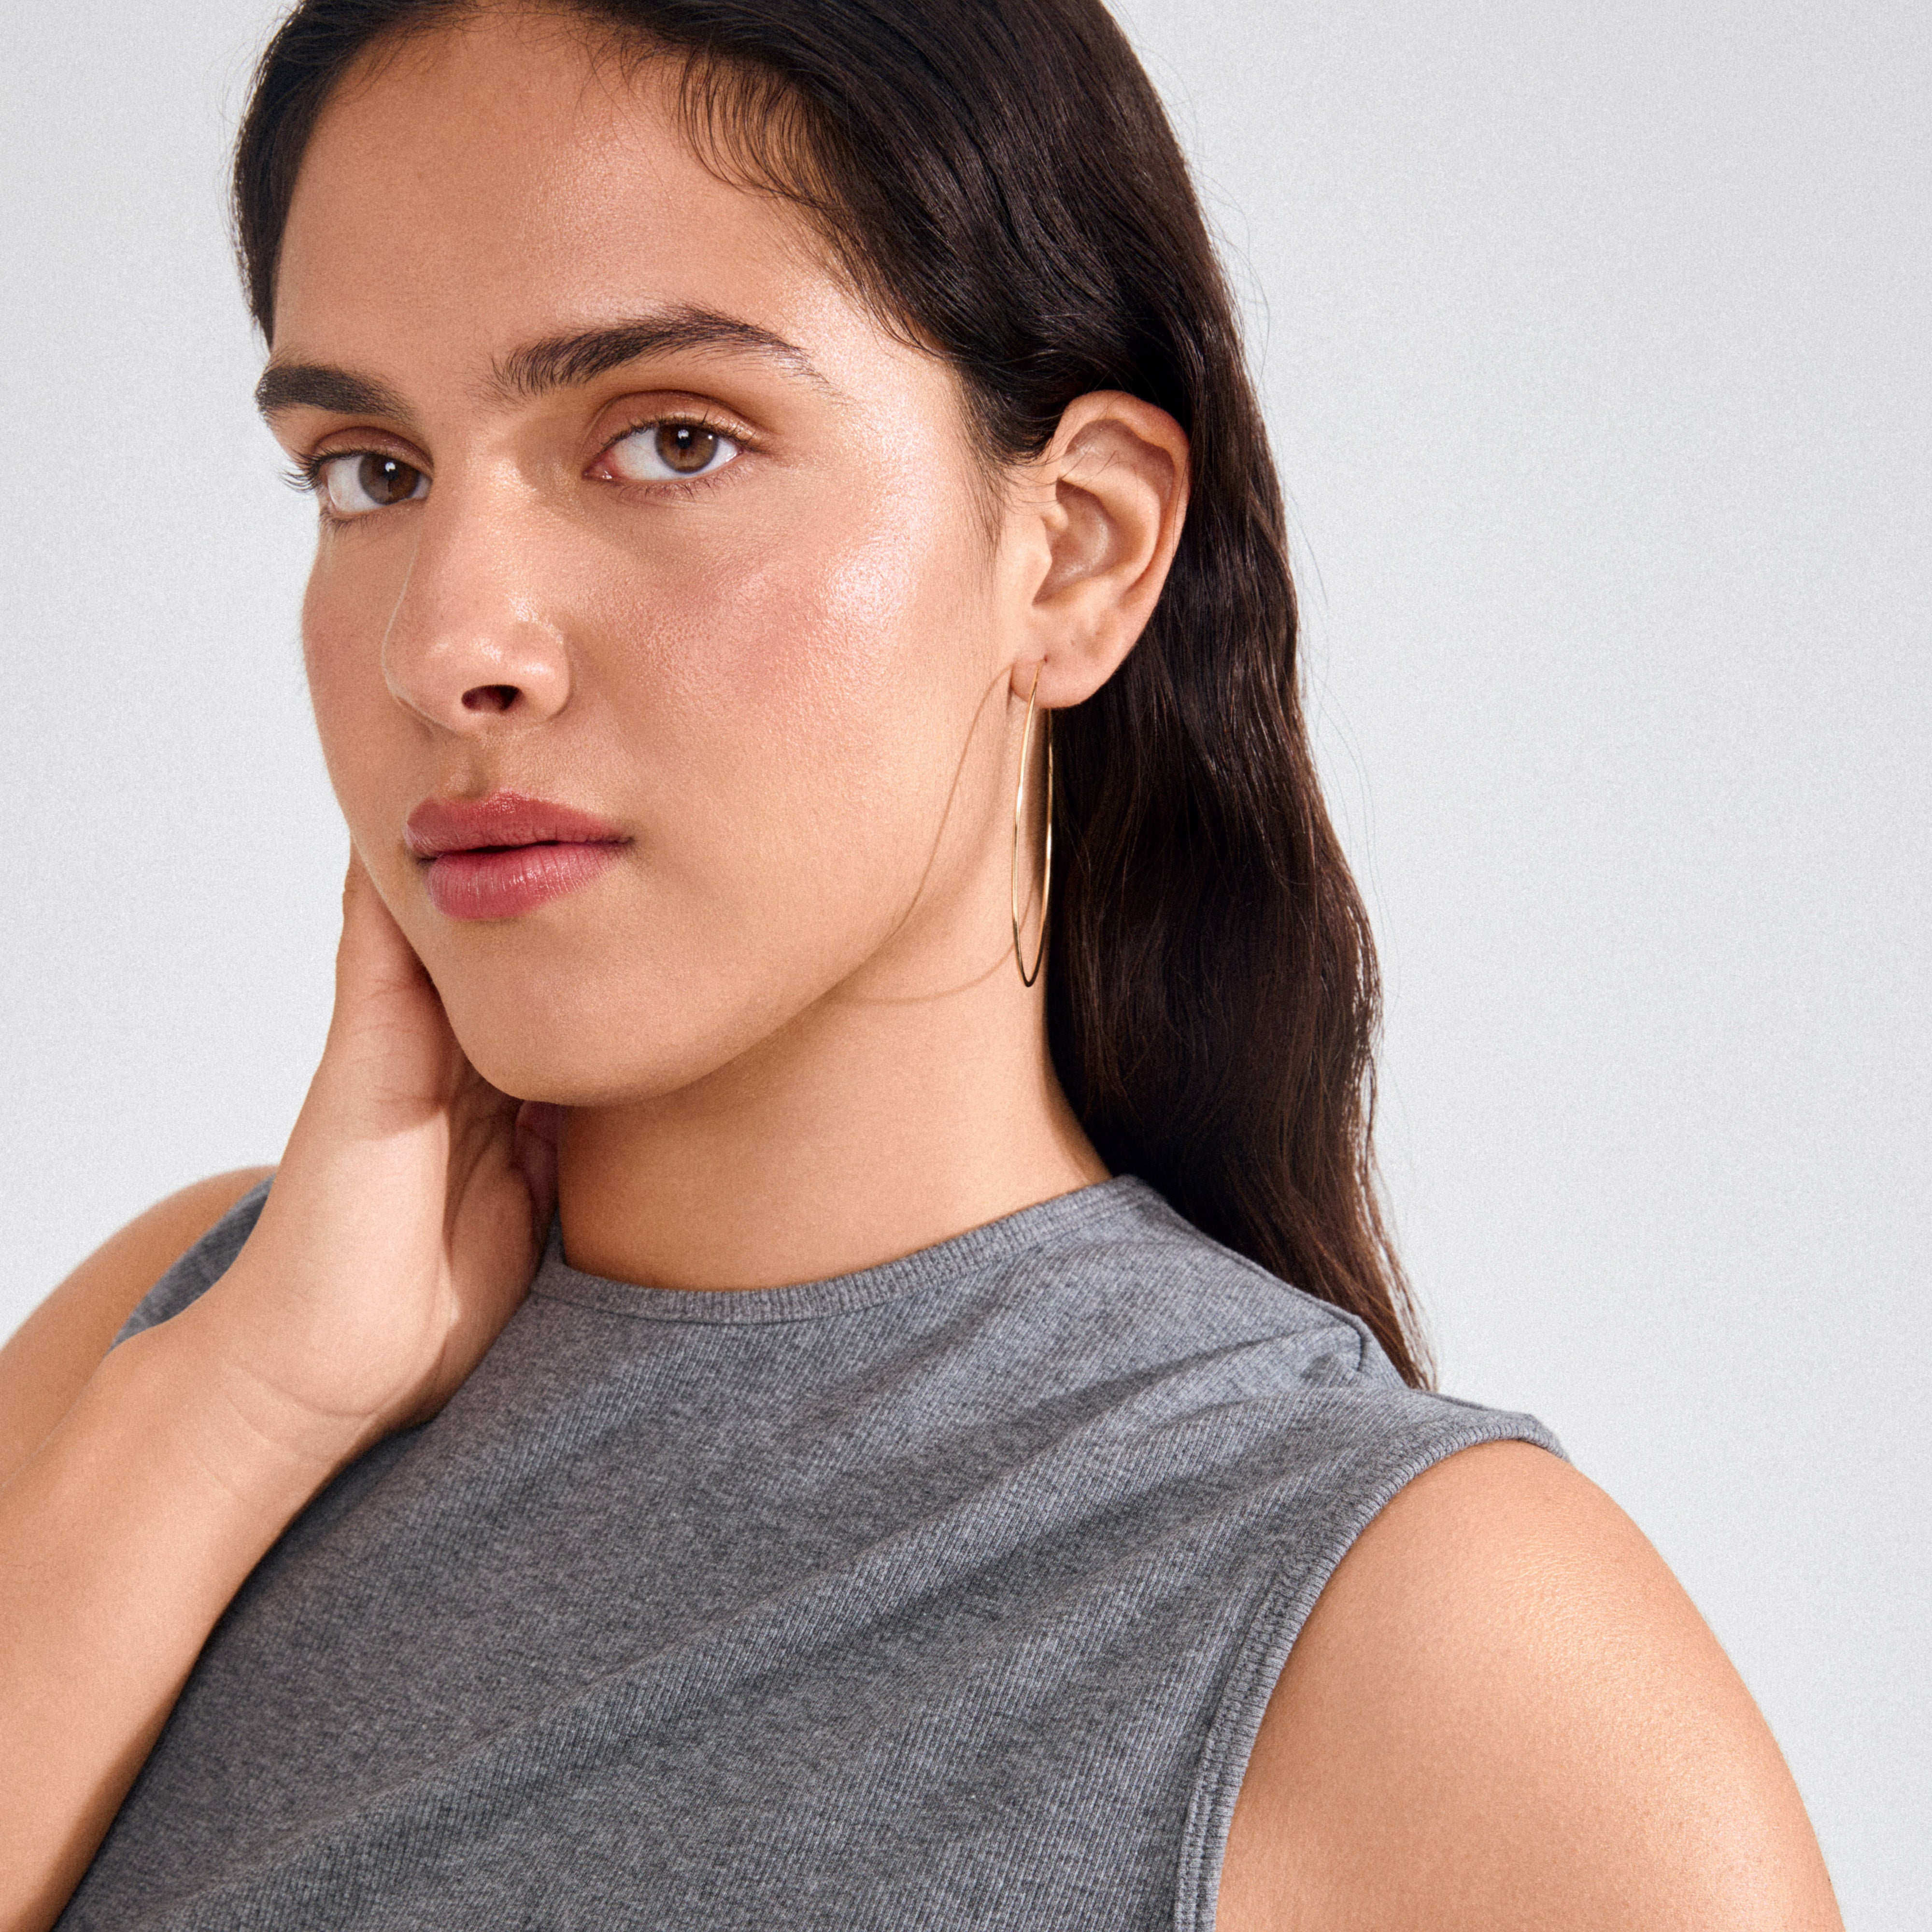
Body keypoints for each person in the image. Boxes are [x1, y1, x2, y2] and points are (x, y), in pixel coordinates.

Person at [0, 1, 1842, 1926]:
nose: (451, 640)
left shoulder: (1435, 1663)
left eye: (669, 438)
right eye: (371, 471)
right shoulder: (181, 1347)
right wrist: (250, 1407)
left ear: (1075, 553)